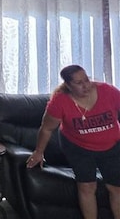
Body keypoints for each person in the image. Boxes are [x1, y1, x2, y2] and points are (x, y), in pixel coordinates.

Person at [26, 65, 120, 219]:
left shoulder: (108, 91)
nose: (86, 85)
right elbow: (47, 128)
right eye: (79, 83)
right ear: (68, 85)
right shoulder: (60, 102)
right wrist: (38, 152)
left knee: (116, 187)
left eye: (86, 80)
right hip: (78, 147)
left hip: (111, 145)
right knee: (87, 186)